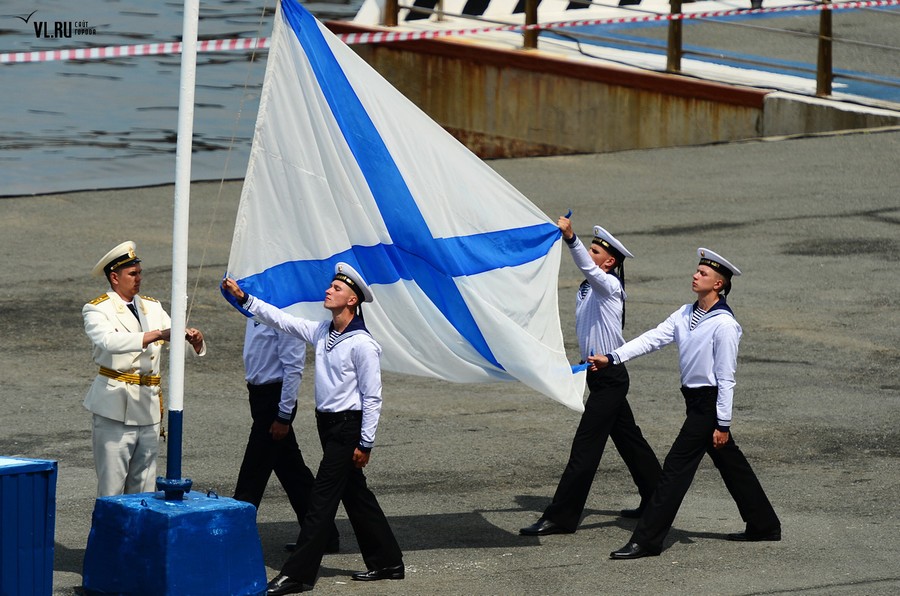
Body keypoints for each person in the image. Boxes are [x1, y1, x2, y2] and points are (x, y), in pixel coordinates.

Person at [222, 262, 403, 595]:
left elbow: (373, 399)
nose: (328, 290)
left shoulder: (362, 343)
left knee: (321, 500)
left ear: (352, 301)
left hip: (348, 427)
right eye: (331, 286)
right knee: (355, 494)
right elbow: (282, 320)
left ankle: (299, 575)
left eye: (337, 288)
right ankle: (387, 560)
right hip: (328, 426)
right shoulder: (323, 332)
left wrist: (366, 442)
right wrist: (245, 299)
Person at [588, 248, 781, 559]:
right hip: (694, 403)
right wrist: (612, 357)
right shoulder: (684, 314)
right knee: (732, 465)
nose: (695, 275)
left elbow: (726, 379)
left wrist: (723, 423)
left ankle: (647, 540)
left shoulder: (725, 326)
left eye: (703, 274)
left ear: (719, 284)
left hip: (708, 405)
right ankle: (764, 524)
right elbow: (652, 338)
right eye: (697, 271)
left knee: (674, 469)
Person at [520, 217, 661, 537]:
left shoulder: (608, 285)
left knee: (585, 447)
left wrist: (571, 239)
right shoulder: (590, 287)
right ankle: (657, 496)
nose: (590, 253)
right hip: (598, 375)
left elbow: (589, 269)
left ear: (609, 262)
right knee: (630, 441)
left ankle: (561, 516)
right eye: (590, 248)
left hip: (610, 375)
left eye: (595, 250)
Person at [83, 241, 205, 497]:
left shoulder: (152, 306)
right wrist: (156, 334)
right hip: (115, 407)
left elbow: (174, 344)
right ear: (115, 277)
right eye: (132, 274)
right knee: (112, 489)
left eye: (139, 273)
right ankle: (109, 538)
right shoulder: (98, 308)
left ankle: (138, 538)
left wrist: (194, 341)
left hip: (148, 408)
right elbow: (109, 341)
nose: (138, 279)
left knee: (144, 489)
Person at [234, 320, 339, 554]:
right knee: (293, 473)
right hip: (259, 397)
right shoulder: (255, 311)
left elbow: (293, 368)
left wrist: (283, 416)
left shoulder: (283, 316)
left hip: (275, 400)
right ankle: (324, 535)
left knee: (253, 472)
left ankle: (234, 535)